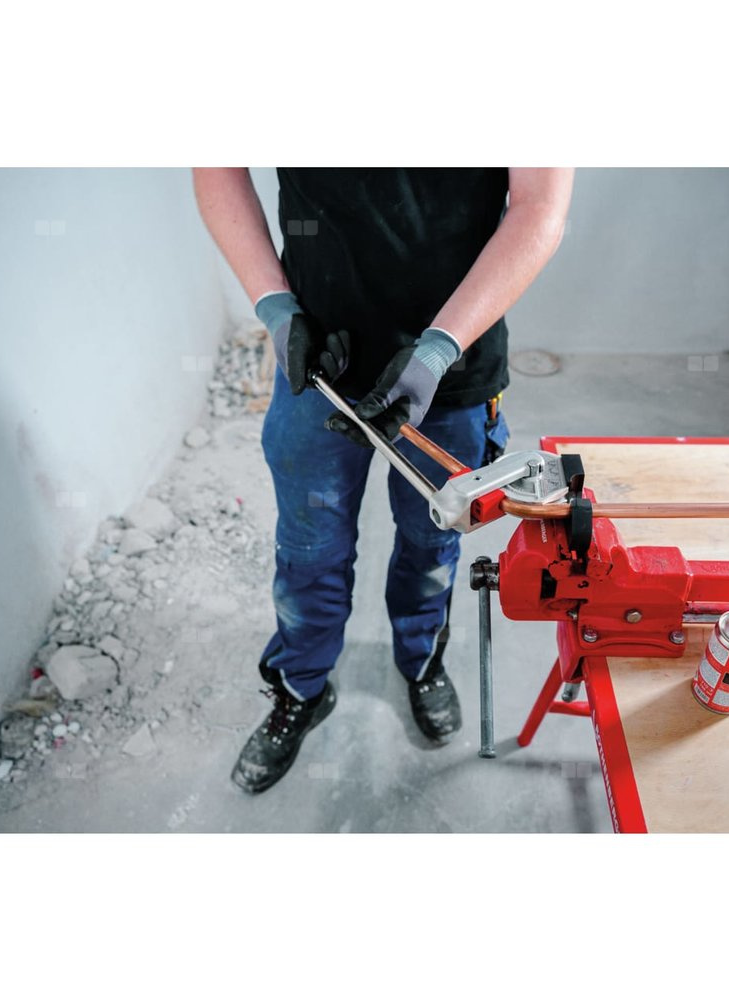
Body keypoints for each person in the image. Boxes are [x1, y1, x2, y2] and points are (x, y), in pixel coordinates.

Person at [193, 168, 573, 793]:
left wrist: (438, 349)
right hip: (318, 357)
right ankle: (301, 688)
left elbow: (539, 209)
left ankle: (420, 662)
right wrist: (274, 306)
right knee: (309, 550)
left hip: (450, 366)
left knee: (431, 544)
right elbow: (218, 170)